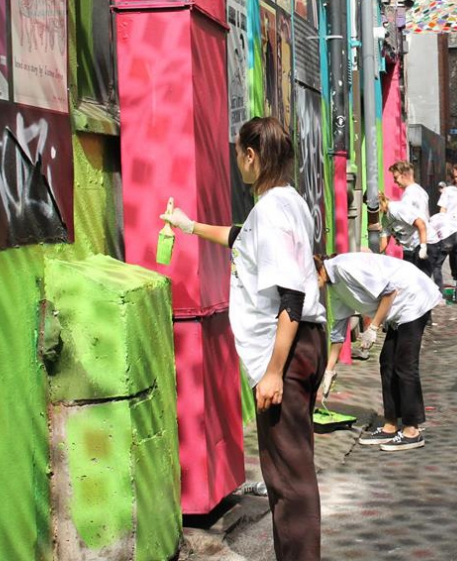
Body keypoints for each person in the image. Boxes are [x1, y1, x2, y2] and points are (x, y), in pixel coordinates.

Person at [160, 117, 327, 561]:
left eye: (239, 154)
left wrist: (273, 372)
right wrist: (188, 225)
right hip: (304, 343)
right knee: (289, 471)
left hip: (286, 352)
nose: (237, 163)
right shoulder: (286, 201)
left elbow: (290, 295)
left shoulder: (272, 211)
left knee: (290, 481)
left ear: (251, 155)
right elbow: (241, 239)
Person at [316, 253, 442, 451]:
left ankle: (412, 431)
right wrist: (329, 370)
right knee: (387, 362)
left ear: (318, 269)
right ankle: (390, 425)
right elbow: (338, 331)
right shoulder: (334, 286)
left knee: (405, 364)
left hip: (414, 297)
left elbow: (389, 292)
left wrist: (373, 328)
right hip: (398, 308)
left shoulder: (343, 267)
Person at [428, 210, 457, 305]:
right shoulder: (445, 216)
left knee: (436, 266)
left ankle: (440, 295)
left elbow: (431, 239)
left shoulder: (430, 222)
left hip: (448, 236)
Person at [378, 192, 431, 276]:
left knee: (422, 280)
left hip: (419, 243)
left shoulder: (396, 209)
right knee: (408, 279)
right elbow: (383, 244)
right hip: (408, 248)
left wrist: (423, 247)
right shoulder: (385, 219)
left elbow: (421, 224)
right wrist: (371, 256)